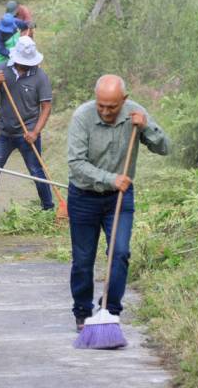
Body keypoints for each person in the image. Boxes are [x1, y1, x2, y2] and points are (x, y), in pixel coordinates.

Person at [67, 74, 170, 332]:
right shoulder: (82, 117)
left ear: (124, 100)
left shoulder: (135, 113)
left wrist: (146, 127)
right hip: (83, 196)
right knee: (83, 259)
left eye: (112, 107)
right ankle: (82, 312)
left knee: (120, 253)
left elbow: (165, 148)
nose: (105, 112)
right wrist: (111, 179)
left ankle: (110, 310)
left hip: (119, 199)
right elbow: (76, 163)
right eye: (101, 105)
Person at [0, 36, 54, 227]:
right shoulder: (3, 70)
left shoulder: (40, 77)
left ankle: (48, 210)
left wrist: (35, 132)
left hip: (28, 135)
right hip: (3, 133)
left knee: (36, 172)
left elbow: (46, 107)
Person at [0, 13, 29, 115]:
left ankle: (13, 103)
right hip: (0, 60)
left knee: (14, 79)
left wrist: (29, 26)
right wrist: (12, 54)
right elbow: (1, 49)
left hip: (15, 58)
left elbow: (25, 25)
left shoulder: (16, 22)